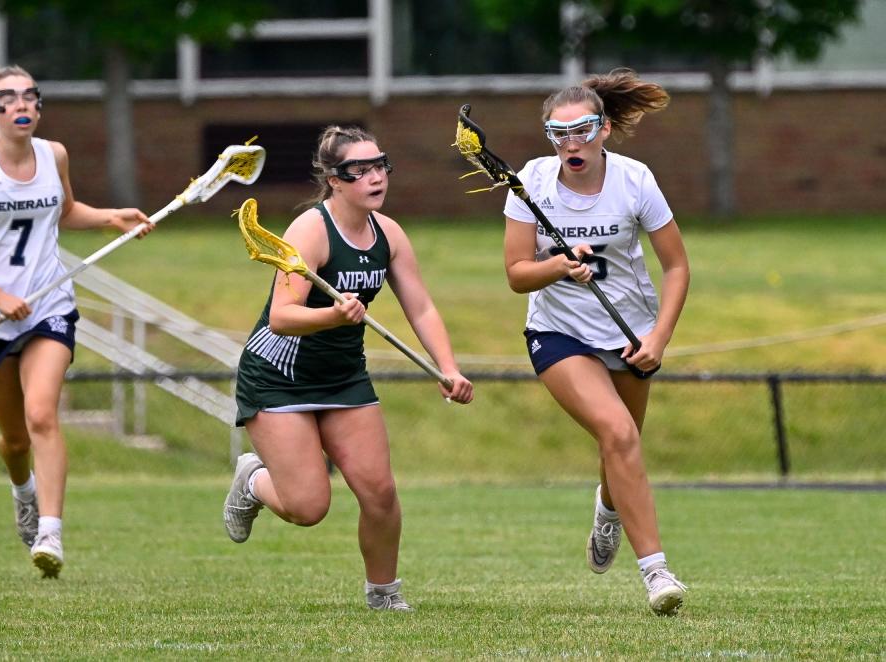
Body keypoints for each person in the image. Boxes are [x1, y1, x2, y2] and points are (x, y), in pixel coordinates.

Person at [223, 125, 473, 611]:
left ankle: (384, 595)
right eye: (360, 171)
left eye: (380, 165)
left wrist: (448, 368)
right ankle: (252, 480)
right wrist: (333, 315)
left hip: (342, 375)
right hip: (279, 375)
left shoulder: (389, 233)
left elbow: (420, 307)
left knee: (380, 492)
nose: (375, 177)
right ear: (334, 180)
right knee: (308, 507)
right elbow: (282, 316)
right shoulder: (310, 231)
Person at [0, 65, 151, 578]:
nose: (21, 105)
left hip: (48, 305)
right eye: (8, 98)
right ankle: (23, 492)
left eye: (31, 96)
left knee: (43, 414)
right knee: (15, 440)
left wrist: (110, 216)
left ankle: (50, 531)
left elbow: (64, 211)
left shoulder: (54, 155)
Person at [502, 69, 690, 615]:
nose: (571, 144)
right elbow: (516, 273)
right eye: (559, 134)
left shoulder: (635, 181)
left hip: (629, 333)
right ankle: (657, 574)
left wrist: (659, 337)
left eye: (582, 130)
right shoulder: (531, 183)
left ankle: (608, 512)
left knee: (623, 444)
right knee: (617, 431)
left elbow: (676, 267)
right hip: (557, 332)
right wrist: (559, 266)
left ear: (604, 128)